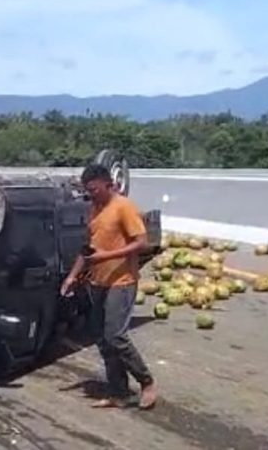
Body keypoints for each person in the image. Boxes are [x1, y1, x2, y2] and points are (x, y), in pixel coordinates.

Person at [60, 164, 157, 410]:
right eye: (87, 190)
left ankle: (146, 382)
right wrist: (72, 276)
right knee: (103, 339)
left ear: (109, 185)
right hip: (97, 282)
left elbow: (142, 242)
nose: (90, 194)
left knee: (116, 335)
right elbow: (87, 247)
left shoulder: (123, 207)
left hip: (121, 281)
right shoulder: (95, 209)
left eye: (94, 190)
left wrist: (107, 256)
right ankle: (119, 392)